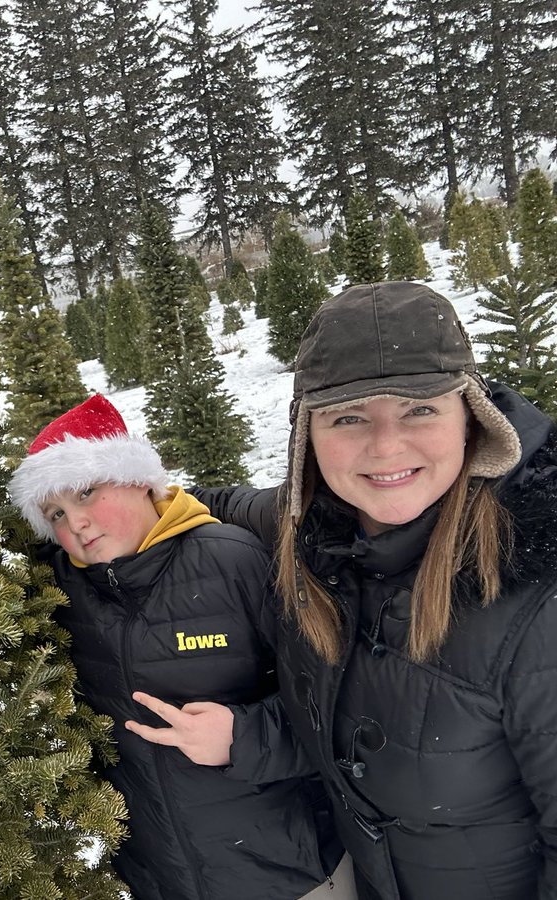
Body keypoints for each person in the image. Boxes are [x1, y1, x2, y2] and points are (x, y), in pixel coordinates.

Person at [197, 281, 557, 899]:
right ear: (307, 438)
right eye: (349, 416)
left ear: (472, 418)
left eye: (420, 408)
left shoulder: (537, 598)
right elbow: (237, 505)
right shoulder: (317, 529)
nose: (386, 446)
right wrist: (144, 504)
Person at [7, 394, 345, 900]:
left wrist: (242, 739)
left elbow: (341, 706)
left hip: (293, 875)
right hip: (160, 881)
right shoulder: (61, 594)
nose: (74, 522)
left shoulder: (234, 560)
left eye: (85, 492)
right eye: (54, 511)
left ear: (140, 479)